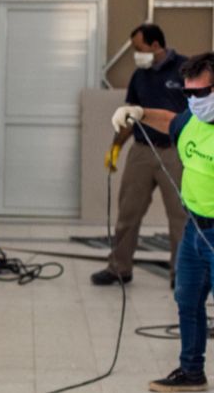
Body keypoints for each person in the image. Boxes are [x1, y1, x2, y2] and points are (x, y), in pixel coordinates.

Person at [110, 53, 214, 392]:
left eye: (201, 93)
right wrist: (139, 113)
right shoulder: (191, 120)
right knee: (187, 299)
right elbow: (170, 120)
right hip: (194, 231)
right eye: (188, 93)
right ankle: (192, 373)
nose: (194, 101)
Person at [92, 23, 187, 287]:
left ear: (155, 45)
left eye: (139, 48)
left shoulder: (184, 70)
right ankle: (119, 268)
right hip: (142, 151)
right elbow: (130, 115)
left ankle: (181, 273)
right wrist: (116, 147)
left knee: (180, 216)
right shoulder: (140, 76)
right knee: (128, 212)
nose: (136, 54)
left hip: (175, 152)